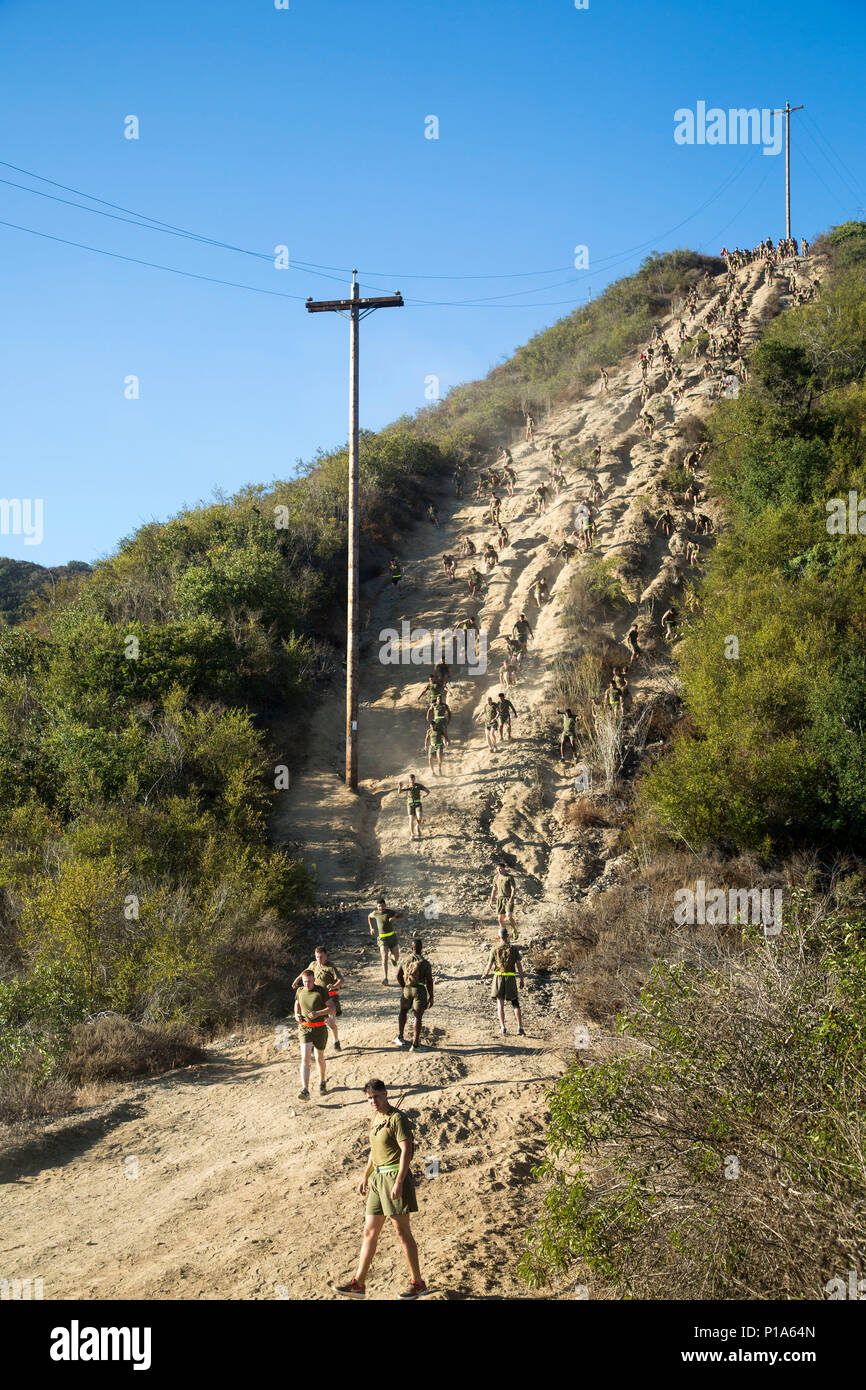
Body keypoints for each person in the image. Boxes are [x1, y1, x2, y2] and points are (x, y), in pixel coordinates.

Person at [331, 1080, 428, 1300]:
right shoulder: (375, 1119)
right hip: (377, 1178)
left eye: (376, 1096)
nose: (373, 1101)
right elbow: (373, 1152)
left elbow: (407, 1150)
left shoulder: (397, 1118)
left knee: (402, 1233)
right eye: (369, 1098)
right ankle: (359, 1284)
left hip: (394, 1176)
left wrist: (400, 1181)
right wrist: (365, 1176)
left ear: (385, 1094)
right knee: (369, 1231)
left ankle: (418, 1284)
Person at [292, 946, 344, 1051]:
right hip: (316, 998)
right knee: (311, 1019)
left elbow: (341, 980)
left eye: (321, 957)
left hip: (330, 998)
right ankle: (310, 1043)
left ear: (326, 956)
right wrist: (297, 980)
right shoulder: (313, 964)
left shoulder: (330, 967)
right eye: (317, 957)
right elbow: (305, 972)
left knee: (330, 1022)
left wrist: (334, 986)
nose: (318, 959)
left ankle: (336, 1041)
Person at [294, 967, 331, 1099]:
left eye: (309, 981)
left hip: (319, 1028)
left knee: (319, 1057)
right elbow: (297, 1004)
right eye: (304, 981)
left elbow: (331, 1008)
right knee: (305, 1058)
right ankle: (305, 1089)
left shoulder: (321, 991)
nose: (306, 984)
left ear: (314, 980)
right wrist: (296, 1015)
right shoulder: (299, 991)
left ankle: (322, 1081)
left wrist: (318, 1013)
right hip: (304, 1028)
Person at [481, 927, 525, 1037]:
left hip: (498, 978)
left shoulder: (494, 949)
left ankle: (503, 1027)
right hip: (510, 978)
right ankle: (520, 1027)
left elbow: (489, 966)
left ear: (499, 937)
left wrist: (485, 974)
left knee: (500, 1003)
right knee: (515, 1002)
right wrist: (521, 979)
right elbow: (519, 965)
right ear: (508, 936)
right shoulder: (514, 949)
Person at [395, 937, 434, 1052]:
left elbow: (398, 975)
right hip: (420, 990)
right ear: (421, 949)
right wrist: (431, 996)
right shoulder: (425, 963)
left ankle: (400, 1037)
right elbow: (429, 981)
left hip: (407, 989)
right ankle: (415, 1045)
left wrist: (403, 987)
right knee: (417, 1017)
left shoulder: (404, 960)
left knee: (403, 1011)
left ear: (411, 948)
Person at [367, 897, 405, 982]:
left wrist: (395, 918)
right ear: (377, 906)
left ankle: (392, 958)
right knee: (384, 959)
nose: (381, 908)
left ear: (385, 905)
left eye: (382, 906)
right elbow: (369, 917)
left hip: (392, 937)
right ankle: (385, 978)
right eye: (379, 906)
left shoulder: (390, 912)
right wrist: (371, 928)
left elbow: (402, 916)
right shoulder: (375, 913)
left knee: (396, 957)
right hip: (382, 939)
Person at [397, 774, 429, 843]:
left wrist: (425, 795)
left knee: (419, 817)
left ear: (415, 779)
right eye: (410, 779)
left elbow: (427, 791)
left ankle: (417, 826)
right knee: (411, 819)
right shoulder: (407, 786)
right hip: (410, 804)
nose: (412, 780)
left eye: (413, 779)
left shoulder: (418, 785)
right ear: (409, 780)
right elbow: (399, 792)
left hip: (417, 804)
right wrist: (400, 786)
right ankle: (412, 834)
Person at [489, 862, 517, 937]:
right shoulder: (496, 877)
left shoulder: (509, 877)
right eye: (498, 869)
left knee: (509, 916)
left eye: (500, 868)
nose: (499, 870)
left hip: (508, 899)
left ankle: (514, 930)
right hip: (499, 899)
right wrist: (491, 900)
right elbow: (494, 889)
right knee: (500, 919)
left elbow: (513, 888)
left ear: (504, 868)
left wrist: (511, 898)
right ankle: (504, 934)